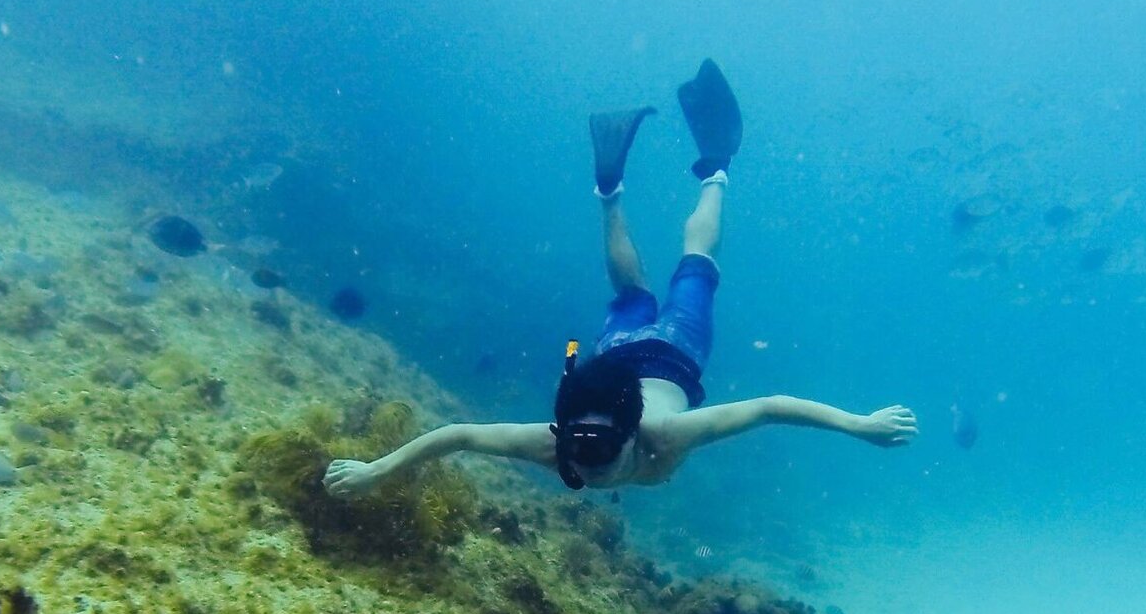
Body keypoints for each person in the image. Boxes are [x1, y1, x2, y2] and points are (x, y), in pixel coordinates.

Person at [323, 59, 916, 498]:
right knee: (664, 278)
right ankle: (660, 183)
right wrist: (374, 471)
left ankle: (701, 175)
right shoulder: (594, 441)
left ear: (634, 433)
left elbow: (770, 407)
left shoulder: (663, 433)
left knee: (689, 268)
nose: (587, 464)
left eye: (598, 451)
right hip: (626, 356)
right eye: (580, 449)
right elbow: (456, 435)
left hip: (666, 353)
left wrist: (860, 425)